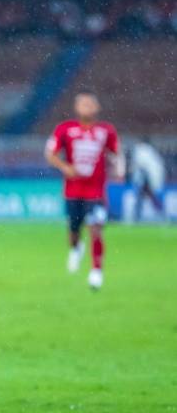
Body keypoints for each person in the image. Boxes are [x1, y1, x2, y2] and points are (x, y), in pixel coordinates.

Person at [45, 91, 125, 289]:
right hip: (72, 191)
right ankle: (76, 247)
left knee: (95, 228)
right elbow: (50, 153)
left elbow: (117, 154)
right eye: (83, 104)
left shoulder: (106, 131)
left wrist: (119, 170)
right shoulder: (65, 129)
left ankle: (96, 271)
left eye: (90, 104)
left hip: (96, 192)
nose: (86, 107)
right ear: (76, 107)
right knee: (73, 231)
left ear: (97, 108)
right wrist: (65, 167)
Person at [129, 138, 165, 221]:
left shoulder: (140, 150)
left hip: (145, 177)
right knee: (148, 197)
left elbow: (141, 165)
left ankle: (136, 216)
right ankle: (160, 213)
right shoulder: (151, 151)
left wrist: (141, 179)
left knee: (142, 196)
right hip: (151, 177)